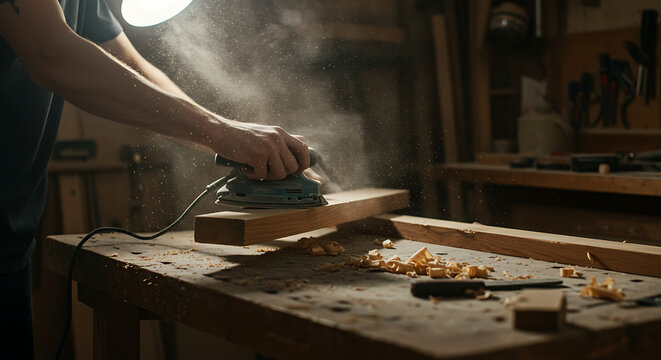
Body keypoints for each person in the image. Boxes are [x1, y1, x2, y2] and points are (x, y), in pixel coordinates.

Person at [0, 0, 311, 357]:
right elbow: (52, 52)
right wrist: (224, 133)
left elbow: (133, 69)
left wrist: (239, 142)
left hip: (11, 240)